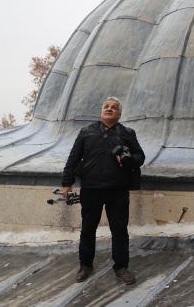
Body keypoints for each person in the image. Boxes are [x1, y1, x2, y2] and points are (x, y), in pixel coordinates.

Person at [61, 97, 145, 284]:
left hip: (118, 190)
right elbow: (73, 159)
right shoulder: (86, 132)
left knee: (120, 230)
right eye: (106, 107)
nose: (109, 109)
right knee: (88, 229)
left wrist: (127, 158)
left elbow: (140, 157)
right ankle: (85, 265)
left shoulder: (127, 133)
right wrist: (67, 183)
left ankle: (121, 267)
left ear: (119, 114)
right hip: (91, 188)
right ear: (101, 111)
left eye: (114, 108)